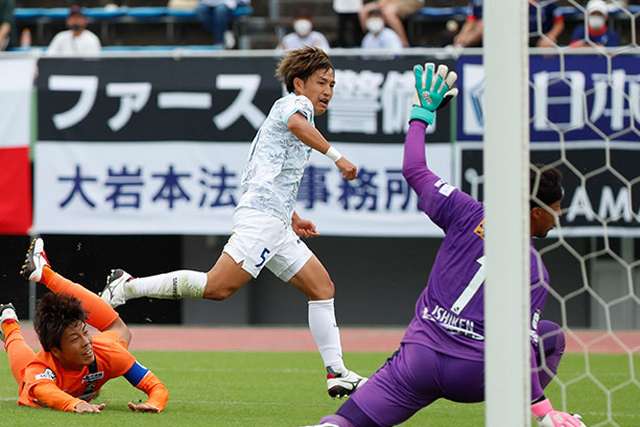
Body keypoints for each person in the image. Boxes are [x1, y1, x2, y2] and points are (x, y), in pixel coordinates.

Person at [308, 63, 585, 427]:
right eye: (555, 208)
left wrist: (420, 117)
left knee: (344, 422)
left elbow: (414, 169)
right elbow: (522, 348)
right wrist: (543, 412)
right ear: (536, 212)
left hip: (420, 357)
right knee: (550, 337)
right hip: (474, 373)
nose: (558, 215)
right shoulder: (533, 269)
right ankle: (520, 415)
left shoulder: (466, 211)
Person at [101, 46, 366, 398]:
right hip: (262, 221)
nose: (328, 91)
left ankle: (337, 372)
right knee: (217, 287)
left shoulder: (290, 113)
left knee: (322, 288)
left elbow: (266, 172)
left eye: (332, 84)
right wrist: (338, 157)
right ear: (299, 84)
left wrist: (293, 217)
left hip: (276, 221)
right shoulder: (294, 106)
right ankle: (127, 287)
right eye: (322, 82)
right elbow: (295, 124)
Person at [0, 238, 168, 413]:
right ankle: (9, 324)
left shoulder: (106, 351)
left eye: (85, 332)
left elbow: (156, 387)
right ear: (56, 351)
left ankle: (45, 274)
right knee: (24, 374)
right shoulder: (39, 368)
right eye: (74, 339)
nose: (86, 342)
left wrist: (155, 403)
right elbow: (44, 391)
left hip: (106, 347)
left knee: (120, 331)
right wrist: (75, 404)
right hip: (41, 375)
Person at [454, 0, 565, 48]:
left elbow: (559, 23)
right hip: (510, 35)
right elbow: (471, 20)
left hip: (539, 36)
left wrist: (551, 36)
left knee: (547, 45)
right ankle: (458, 49)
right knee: (482, 26)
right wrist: (463, 34)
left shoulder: (548, 2)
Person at [358, 0, 423, 47]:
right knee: (363, 11)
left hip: (411, 1)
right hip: (389, 2)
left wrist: (384, 2)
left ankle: (404, 44)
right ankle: (369, 42)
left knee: (389, 12)